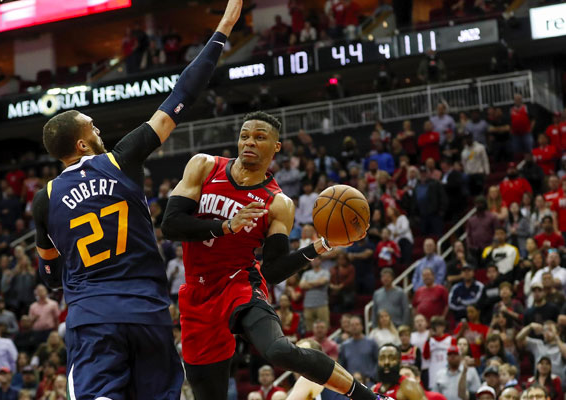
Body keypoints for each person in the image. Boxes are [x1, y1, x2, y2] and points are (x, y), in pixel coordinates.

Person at [31, 2, 244, 398]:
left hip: (93, 316)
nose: (98, 128)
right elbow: (181, 94)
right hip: (147, 312)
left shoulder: (44, 199)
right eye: (91, 126)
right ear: (82, 142)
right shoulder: (121, 159)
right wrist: (224, 28)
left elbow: (48, 272)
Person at [162, 107, 379, 400]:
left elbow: (273, 270)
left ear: (276, 147)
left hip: (239, 285)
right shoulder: (204, 166)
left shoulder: (278, 203)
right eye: (244, 136)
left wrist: (323, 244)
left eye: (259, 137)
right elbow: (171, 225)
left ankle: (369, 397)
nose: (249, 142)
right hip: (197, 295)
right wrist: (227, 226)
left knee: (278, 350)